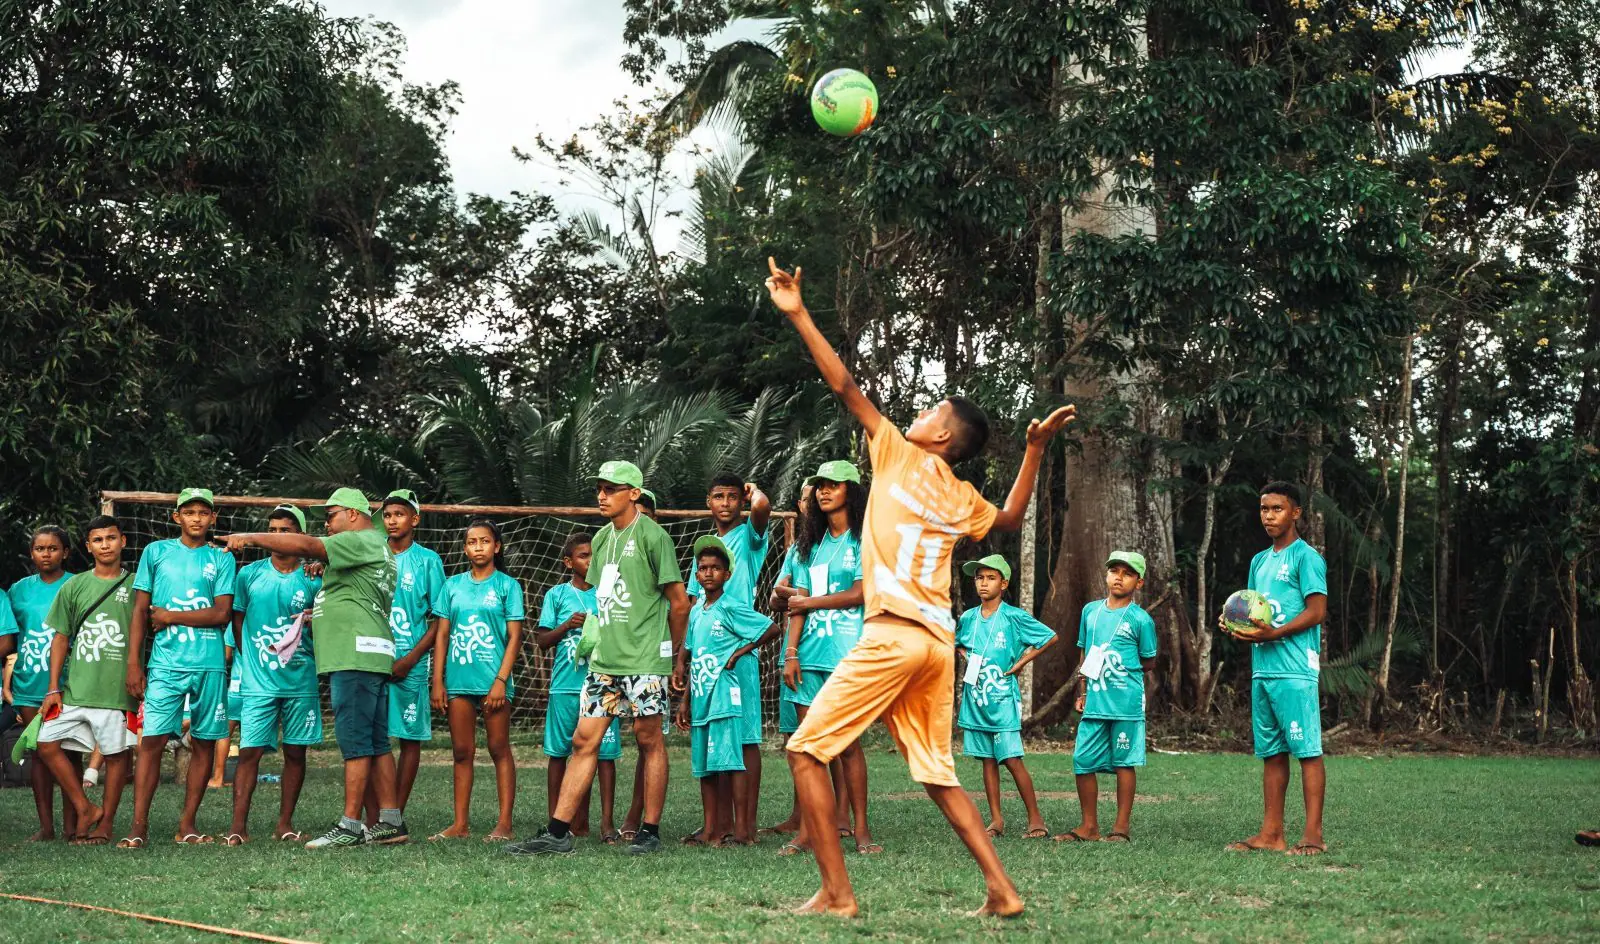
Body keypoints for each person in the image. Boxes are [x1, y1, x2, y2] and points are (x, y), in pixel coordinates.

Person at [766, 257, 1076, 917]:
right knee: (937, 774)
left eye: (933, 409)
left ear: (940, 435)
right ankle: (1002, 890)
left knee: (804, 751)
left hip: (892, 636)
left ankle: (837, 893)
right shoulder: (960, 495)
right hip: (936, 646)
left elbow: (844, 383)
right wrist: (1034, 451)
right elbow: (1011, 518)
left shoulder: (898, 451)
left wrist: (799, 314)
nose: (921, 411)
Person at [506, 459, 689, 857]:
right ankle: (558, 833)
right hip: (604, 662)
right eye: (599, 489)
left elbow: (679, 603)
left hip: (644, 661)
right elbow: (601, 596)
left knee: (649, 740)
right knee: (582, 741)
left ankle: (650, 831)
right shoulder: (602, 538)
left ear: (634, 494)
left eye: (611, 489)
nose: (602, 496)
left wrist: (671, 653)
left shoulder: (655, 537)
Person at [218, 487, 406, 849]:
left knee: (355, 741)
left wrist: (248, 537)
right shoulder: (376, 546)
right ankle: (390, 822)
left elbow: (307, 546)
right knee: (376, 741)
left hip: (354, 655)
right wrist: (318, 611)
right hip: (373, 652)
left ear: (353, 514)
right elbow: (355, 595)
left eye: (331, 516)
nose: (328, 525)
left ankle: (350, 826)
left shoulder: (358, 540)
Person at [124, 488, 238, 847]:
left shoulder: (221, 558)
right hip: (165, 663)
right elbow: (141, 610)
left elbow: (222, 614)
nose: (196, 518)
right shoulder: (155, 552)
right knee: (152, 741)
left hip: (210, 664)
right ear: (177, 517)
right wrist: (134, 662)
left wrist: (171, 616)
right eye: (189, 512)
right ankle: (138, 826)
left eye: (204, 512)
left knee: (204, 742)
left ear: (213, 518)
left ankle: (187, 824)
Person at [1223, 482, 1328, 856]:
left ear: (1295, 513)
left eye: (1277, 509)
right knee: (1272, 753)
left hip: (1295, 669)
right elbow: (1253, 609)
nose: (1268, 516)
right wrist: (1236, 625)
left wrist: (1274, 634)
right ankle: (1271, 835)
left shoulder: (1306, 558)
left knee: (1307, 751)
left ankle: (1313, 836)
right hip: (1263, 670)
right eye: (1264, 509)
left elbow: (1317, 611)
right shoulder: (1259, 561)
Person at [780, 463, 875, 855]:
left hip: (847, 656)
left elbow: (860, 593)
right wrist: (790, 653)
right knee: (808, 748)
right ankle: (808, 832)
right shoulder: (811, 545)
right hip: (808, 657)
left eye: (833, 485)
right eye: (820, 486)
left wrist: (809, 603)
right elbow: (797, 605)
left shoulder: (864, 540)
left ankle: (862, 831)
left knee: (848, 746)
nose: (823, 491)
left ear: (851, 491)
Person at [222, 505, 323, 845]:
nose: (278, 537)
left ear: (301, 536)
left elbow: (325, 625)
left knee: (295, 752)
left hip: (300, 680)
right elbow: (237, 621)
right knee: (249, 752)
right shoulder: (249, 575)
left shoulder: (314, 577)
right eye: (273, 530)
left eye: (286, 531)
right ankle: (238, 826)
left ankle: (284, 824)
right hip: (259, 681)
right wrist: (251, 661)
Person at [35, 516, 139, 845]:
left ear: (123, 541)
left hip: (116, 689)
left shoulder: (138, 585)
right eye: (98, 540)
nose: (105, 545)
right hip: (76, 689)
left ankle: (105, 825)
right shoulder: (74, 586)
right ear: (88, 546)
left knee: (116, 756)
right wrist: (53, 688)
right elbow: (60, 638)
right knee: (46, 743)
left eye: (111, 538)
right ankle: (85, 807)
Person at [677, 536, 780, 846]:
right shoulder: (697, 611)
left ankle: (742, 830)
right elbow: (694, 654)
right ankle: (711, 829)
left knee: (731, 761)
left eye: (715, 568)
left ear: (727, 574)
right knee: (705, 767)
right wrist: (685, 701)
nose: (708, 573)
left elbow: (772, 628)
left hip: (724, 698)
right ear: (696, 575)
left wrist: (739, 652)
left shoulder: (731, 606)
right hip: (701, 698)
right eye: (703, 568)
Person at [689, 473, 772, 838]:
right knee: (714, 736)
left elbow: (763, 508)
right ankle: (718, 824)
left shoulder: (749, 538)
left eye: (733, 497)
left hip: (739, 652)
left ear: (742, 500)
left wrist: (755, 493)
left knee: (746, 737)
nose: (725, 503)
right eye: (718, 496)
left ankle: (745, 826)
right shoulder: (705, 552)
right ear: (708, 501)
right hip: (708, 660)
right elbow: (694, 604)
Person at [429, 520, 524, 842]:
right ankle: (460, 825)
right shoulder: (452, 586)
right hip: (458, 682)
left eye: (485, 541)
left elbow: (514, 638)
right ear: (465, 549)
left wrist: (500, 681)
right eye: (472, 542)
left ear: (497, 547)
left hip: (493, 682)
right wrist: (438, 681)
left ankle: (504, 824)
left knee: (498, 748)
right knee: (461, 751)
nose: (478, 547)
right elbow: (442, 635)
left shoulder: (508, 586)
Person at [1055, 552, 1156, 843]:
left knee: (1124, 762)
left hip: (1126, 704)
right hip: (1095, 702)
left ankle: (1121, 828)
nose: (1119, 578)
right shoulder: (1090, 612)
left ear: (1139, 582)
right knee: (1082, 760)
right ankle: (1089, 827)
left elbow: (1148, 661)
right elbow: (1085, 653)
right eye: (1114, 571)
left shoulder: (1141, 619)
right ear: (1107, 575)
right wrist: (1083, 690)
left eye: (1127, 573)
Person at [955, 554, 1056, 842]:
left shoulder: (1013, 616)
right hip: (976, 700)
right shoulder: (968, 618)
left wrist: (1022, 661)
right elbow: (958, 642)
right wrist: (968, 657)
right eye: (979, 578)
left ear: (1004, 583)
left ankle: (1036, 818)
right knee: (987, 760)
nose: (983, 583)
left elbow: (1050, 637)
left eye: (991, 578)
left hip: (1002, 701)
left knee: (1011, 759)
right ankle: (996, 819)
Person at [537, 532, 624, 844]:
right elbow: (542, 640)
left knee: (605, 756)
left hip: (604, 685)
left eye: (594, 555)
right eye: (584, 555)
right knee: (559, 754)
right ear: (568, 562)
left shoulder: (609, 594)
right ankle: (555, 823)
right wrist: (566, 626)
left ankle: (607, 824)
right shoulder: (557, 595)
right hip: (565, 687)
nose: (590, 560)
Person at [374, 488, 445, 820]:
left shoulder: (428, 561)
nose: (392, 520)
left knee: (409, 738)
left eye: (399, 514)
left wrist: (411, 659)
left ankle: (395, 815)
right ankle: (375, 812)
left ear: (414, 519)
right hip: (372, 657)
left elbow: (440, 618)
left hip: (410, 662)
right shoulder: (372, 553)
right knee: (372, 737)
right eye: (387, 515)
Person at [5, 525, 76, 841]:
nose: (46, 554)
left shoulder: (76, 584)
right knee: (39, 753)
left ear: (65, 552)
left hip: (69, 683)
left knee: (70, 752)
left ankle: (73, 826)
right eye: (39, 548)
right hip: (29, 682)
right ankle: (46, 827)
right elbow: (9, 635)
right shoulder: (18, 590)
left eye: (53, 548)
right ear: (31, 553)